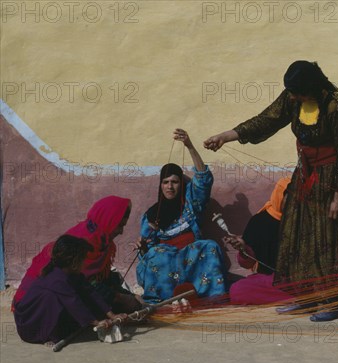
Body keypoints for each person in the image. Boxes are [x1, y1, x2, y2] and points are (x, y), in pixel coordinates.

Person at [204, 61, 338, 321]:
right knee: (296, 234)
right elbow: (266, 120)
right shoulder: (292, 98)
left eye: (296, 93)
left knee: (328, 239)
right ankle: (304, 297)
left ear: (310, 88)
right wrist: (227, 135)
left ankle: (330, 301)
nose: (291, 97)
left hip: (332, 179)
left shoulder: (336, 106)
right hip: (305, 175)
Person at [136, 129, 226, 303]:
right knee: (157, 253)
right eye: (166, 182)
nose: (170, 187)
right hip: (165, 259)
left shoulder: (190, 202)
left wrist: (189, 146)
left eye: (175, 182)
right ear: (161, 185)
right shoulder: (151, 215)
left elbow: (203, 179)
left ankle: (211, 299)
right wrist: (142, 246)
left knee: (209, 246)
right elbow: (147, 251)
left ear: (181, 184)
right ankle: (161, 302)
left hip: (191, 257)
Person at [12, 196, 141, 314]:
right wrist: (120, 298)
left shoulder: (102, 240)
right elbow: (84, 284)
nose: (121, 232)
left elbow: (100, 279)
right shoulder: (85, 241)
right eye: (119, 226)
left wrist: (129, 295)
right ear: (108, 221)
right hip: (33, 304)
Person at [13, 235, 128, 345]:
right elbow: (74, 303)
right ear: (74, 262)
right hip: (29, 326)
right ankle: (45, 335)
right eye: (83, 260)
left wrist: (112, 315)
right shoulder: (56, 278)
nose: (85, 263)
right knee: (50, 297)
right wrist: (97, 323)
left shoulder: (73, 274)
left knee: (82, 297)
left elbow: (91, 292)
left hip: (38, 318)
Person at [224, 177, 293, 305]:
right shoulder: (259, 221)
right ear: (279, 196)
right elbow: (246, 264)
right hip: (267, 280)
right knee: (237, 290)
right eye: (289, 199)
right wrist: (243, 249)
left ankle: (293, 297)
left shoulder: (301, 220)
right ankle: (292, 299)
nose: (293, 204)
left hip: (295, 279)